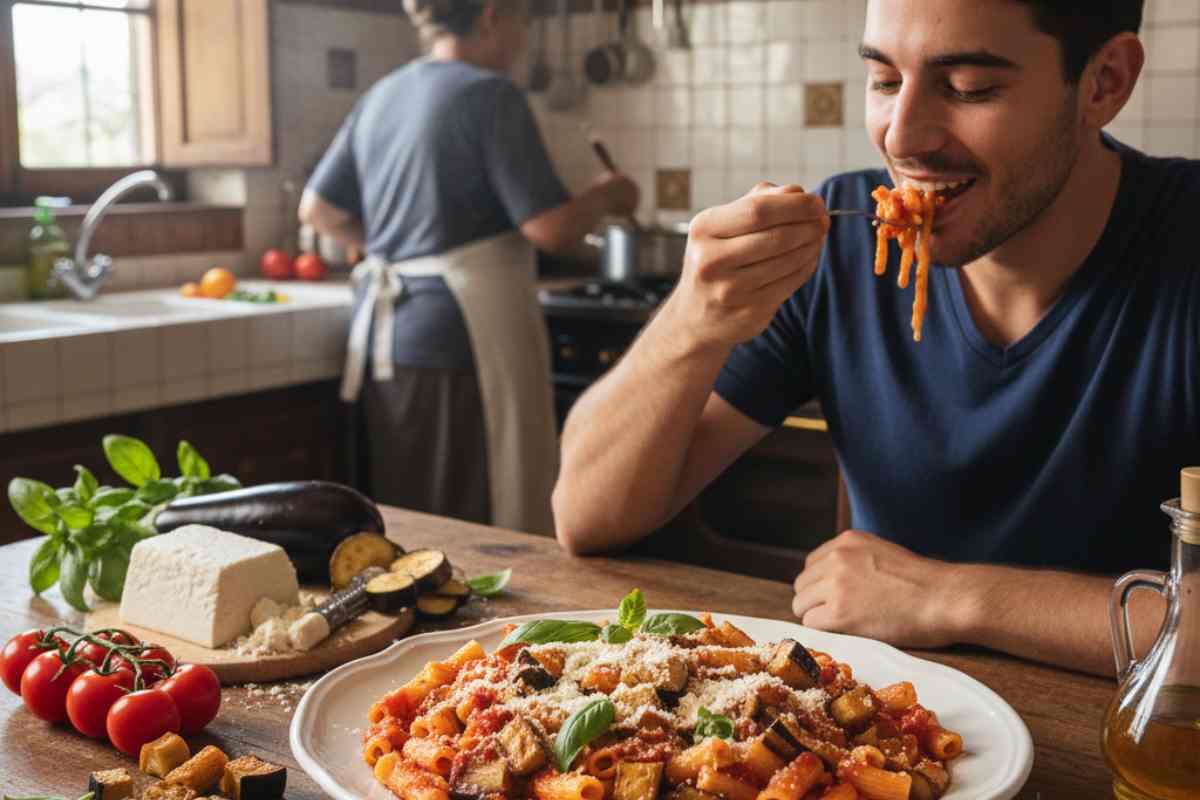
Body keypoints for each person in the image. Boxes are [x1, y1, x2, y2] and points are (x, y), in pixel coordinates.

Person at [552, 0, 1196, 677]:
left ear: (1105, 82)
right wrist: (691, 319)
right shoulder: (843, 246)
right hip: (883, 736)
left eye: (969, 88)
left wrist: (954, 598)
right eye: (885, 81)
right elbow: (589, 516)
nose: (902, 136)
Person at [300, 0, 639, 536]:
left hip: (392, 339)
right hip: (462, 338)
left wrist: (397, 252)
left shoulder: (383, 93)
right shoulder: (491, 94)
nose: (524, 39)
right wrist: (608, 196)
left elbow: (317, 211)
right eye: (523, 22)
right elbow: (549, 229)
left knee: (408, 517)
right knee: (476, 521)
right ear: (490, 16)